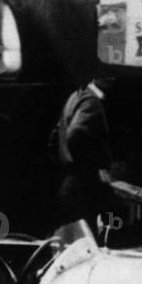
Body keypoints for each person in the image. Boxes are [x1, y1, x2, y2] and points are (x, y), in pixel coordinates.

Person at [53, 77, 115, 228]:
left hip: (70, 184)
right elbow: (76, 135)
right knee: (85, 241)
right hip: (82, 187)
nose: (113, 76)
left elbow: (56, 135)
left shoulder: (76, 96)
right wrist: (95, 166)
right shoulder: (91, 101)